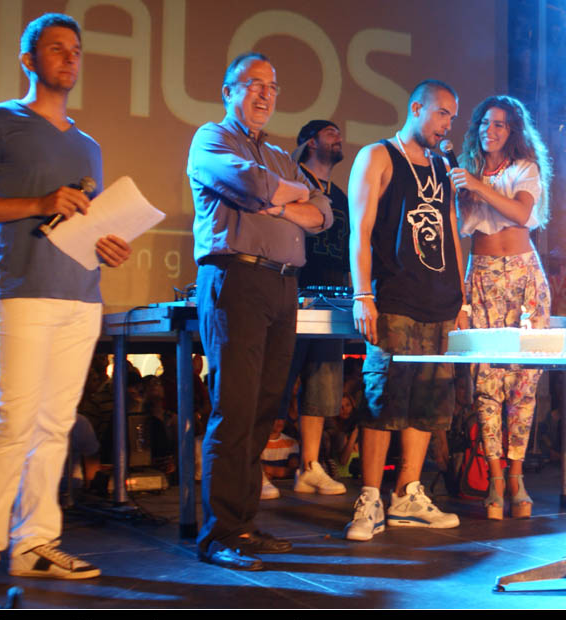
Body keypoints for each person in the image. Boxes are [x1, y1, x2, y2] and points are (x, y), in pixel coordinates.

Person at [0, 13, 132, 587]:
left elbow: (87, 223)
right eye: (56, 49)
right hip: (23, 291)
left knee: (54, 426)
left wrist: (109, 246)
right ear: (28, 59)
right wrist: (38, 203)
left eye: (76, 50)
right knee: (13, 423)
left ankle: (35, 543)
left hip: (81, 296)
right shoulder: (0, 121)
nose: (70, 58)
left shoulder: (89, 145)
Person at [188, 52, 331, 570]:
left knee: (265, 409)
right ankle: (221, 533)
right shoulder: (211, 138)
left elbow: (323, 212)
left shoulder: (276, 155)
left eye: (273, 86)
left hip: (282, 285)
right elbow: (250, 186)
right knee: (235, 407)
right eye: (254, 84)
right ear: (228, 91)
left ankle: (244, 524)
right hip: (237, 278)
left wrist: (278, 201)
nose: (266, 94)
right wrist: (283, 196)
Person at [346, 79, 468, 541]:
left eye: (452, 116)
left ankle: (407, 494)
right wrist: (362, 294)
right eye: (441, 113)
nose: (447, 125)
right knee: (384, 398)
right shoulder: (378, 156)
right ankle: (370, 497)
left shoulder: (443, 167)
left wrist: (461, 299)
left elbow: (452, 233)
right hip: (394, 297)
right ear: (416, 108)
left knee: (429, 401)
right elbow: (360, 229)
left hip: (440, 301)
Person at [449, 95, 552, 519]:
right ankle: (493, 478)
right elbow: (456, 234)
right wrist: (459, 295)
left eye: (501, 125)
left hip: (525, 276)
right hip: (482, 275)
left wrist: (478, 187)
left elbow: (522, 214)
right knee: (485, 379)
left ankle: (517, 477)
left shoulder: (524, 169)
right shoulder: (464, 170)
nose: (490, 131)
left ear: (513, 132)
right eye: (485, 123)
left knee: (524, 380)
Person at [276, 119, 351, 497]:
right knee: (278, 379)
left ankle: (309, 466)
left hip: (333, 296)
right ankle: (254, 467)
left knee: (323, 381)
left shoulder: (342, 195)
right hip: (293, 289)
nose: (339, 138)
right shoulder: (292, 179)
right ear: (309, 142)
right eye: (330, 133)